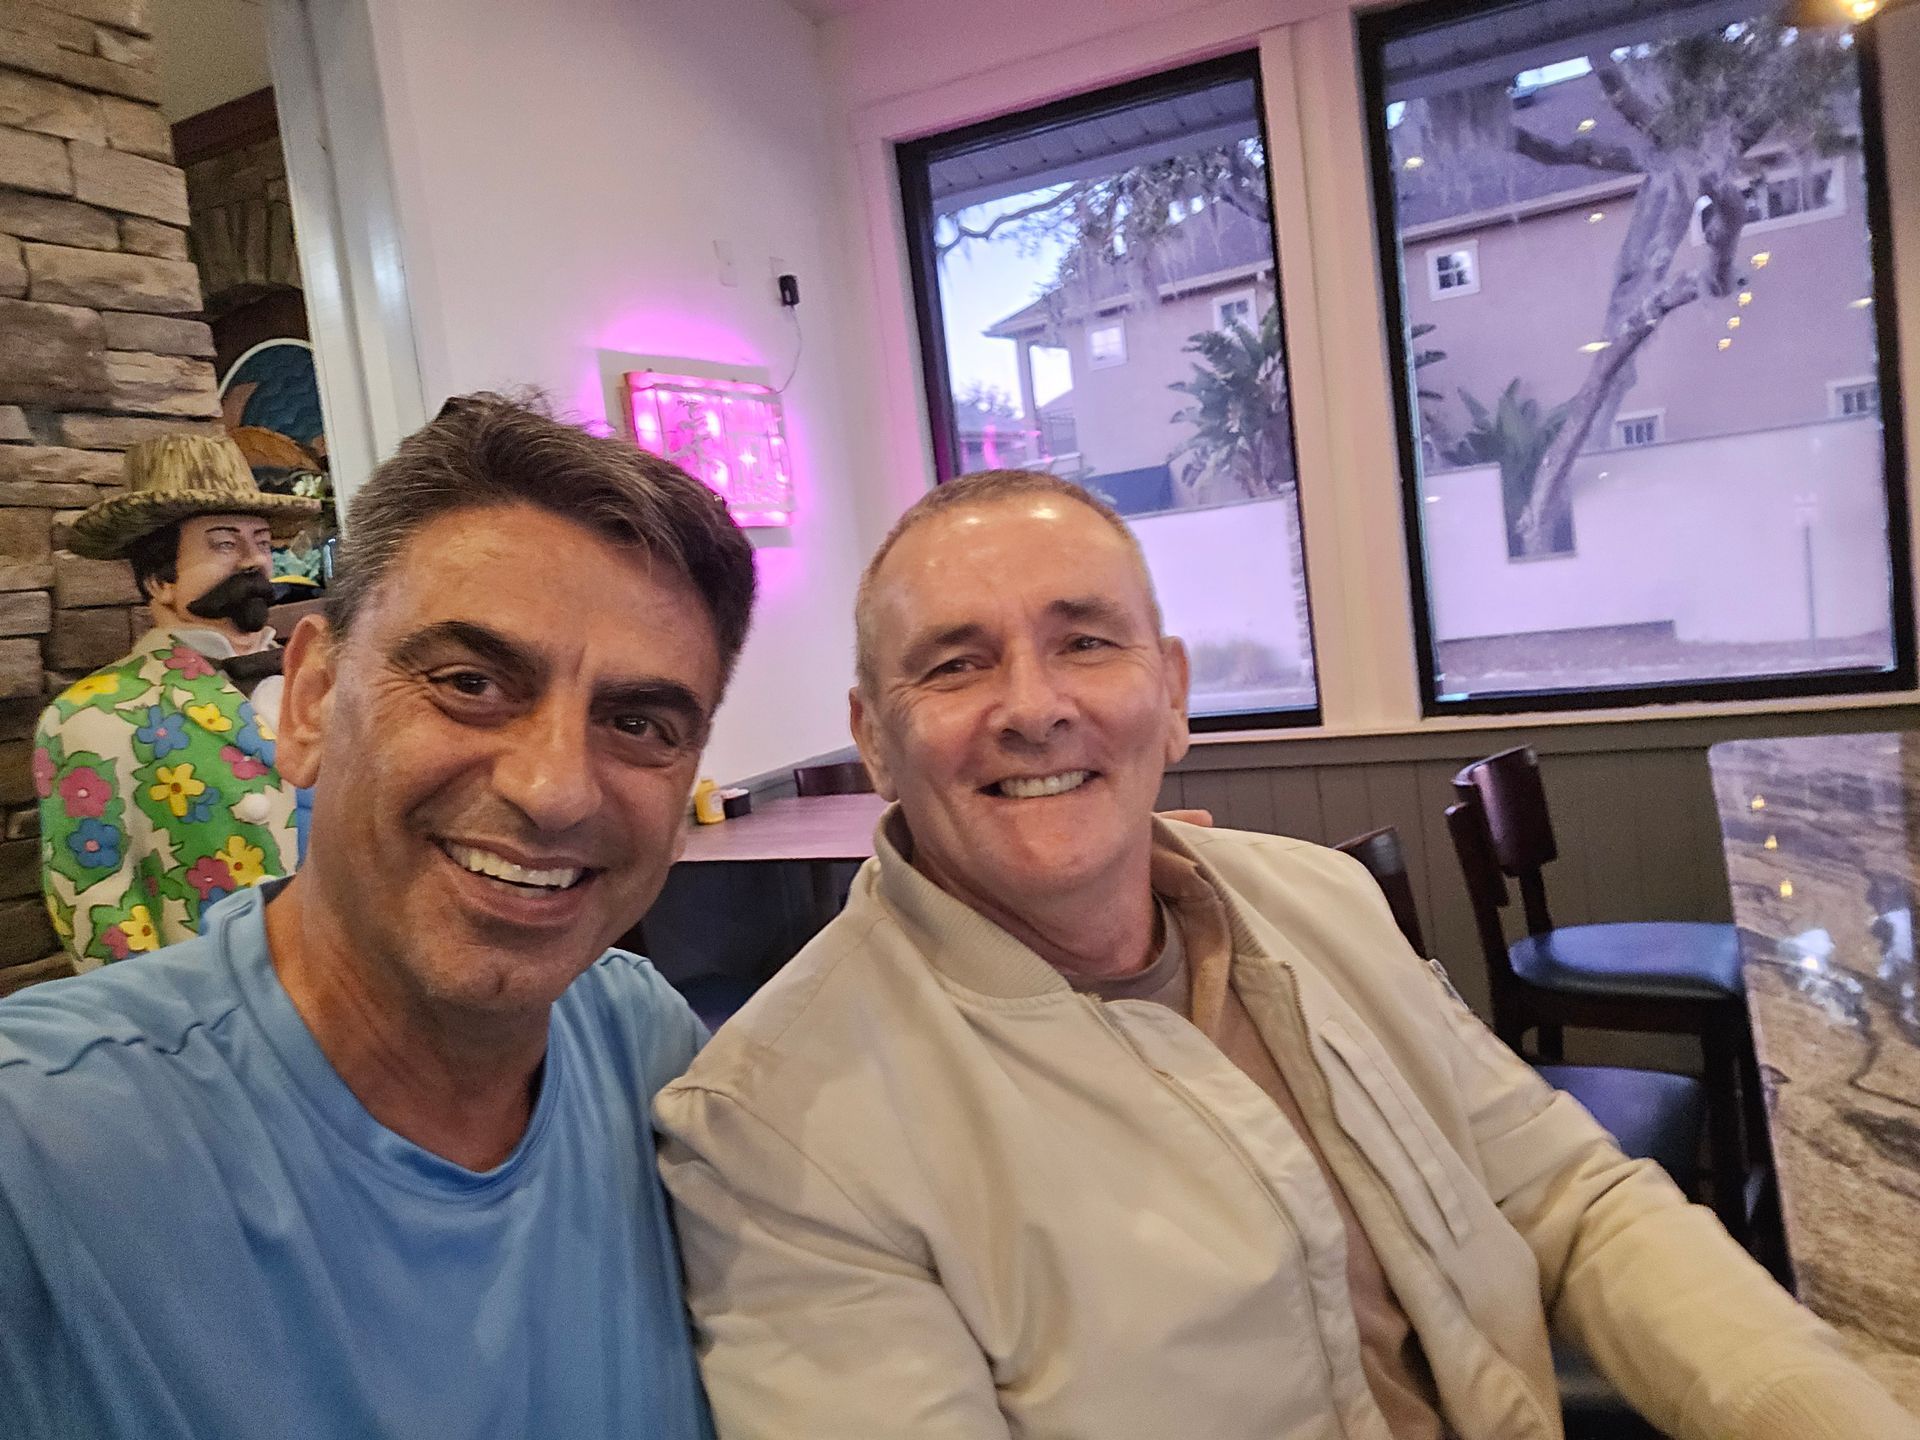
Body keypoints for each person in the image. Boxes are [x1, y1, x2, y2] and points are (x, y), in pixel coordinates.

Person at [655, 468, 1919, 1440]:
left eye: (1085, 640)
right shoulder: (778, 1136)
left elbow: (1571, 1203)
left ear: (1172, 694)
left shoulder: (1322, 901)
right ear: (875, 740)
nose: (1033, 706)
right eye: (955, 663)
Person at [0, 395, 753, 1437]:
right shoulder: (41, 1154)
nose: (554, 790)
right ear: (310, 701)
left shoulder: (645, 1048)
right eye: (470, 682)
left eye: (638, 722)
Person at [34, 433, 320, 967]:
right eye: (224, 544)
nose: (253, 561)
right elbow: (98, 902)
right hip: (223, 995)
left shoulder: (321, 681)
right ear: (159, 580)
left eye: (261, 542)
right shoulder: (92, 716)